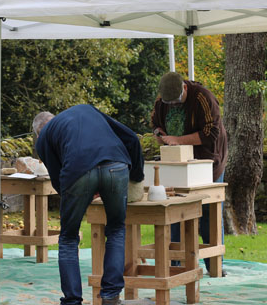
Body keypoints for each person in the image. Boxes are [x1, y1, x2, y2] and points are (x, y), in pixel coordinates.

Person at [33, 104, 145, 305]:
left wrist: (78, 194)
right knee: (116, 229)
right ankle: (111, 296)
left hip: (79, 171)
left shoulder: (44, 138)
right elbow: (132, 138)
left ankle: (72, 301)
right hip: (117, 165)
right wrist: (137, 177)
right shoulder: (87, 110)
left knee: (68, 237)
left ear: (38, 131)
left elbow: (59, 179)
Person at [151, 72, 228, 272]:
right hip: (178, 166)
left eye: (177, 101)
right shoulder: (162, 101)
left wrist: (178, 139)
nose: (174, 105)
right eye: (170, 103)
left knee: (208, 216)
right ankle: (174, 265)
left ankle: (215, 266)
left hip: (208, 162)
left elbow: (212, 133)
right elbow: (155, 124)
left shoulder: (203, 98)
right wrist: (160, 135)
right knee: (174, 213)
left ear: (185, 88)